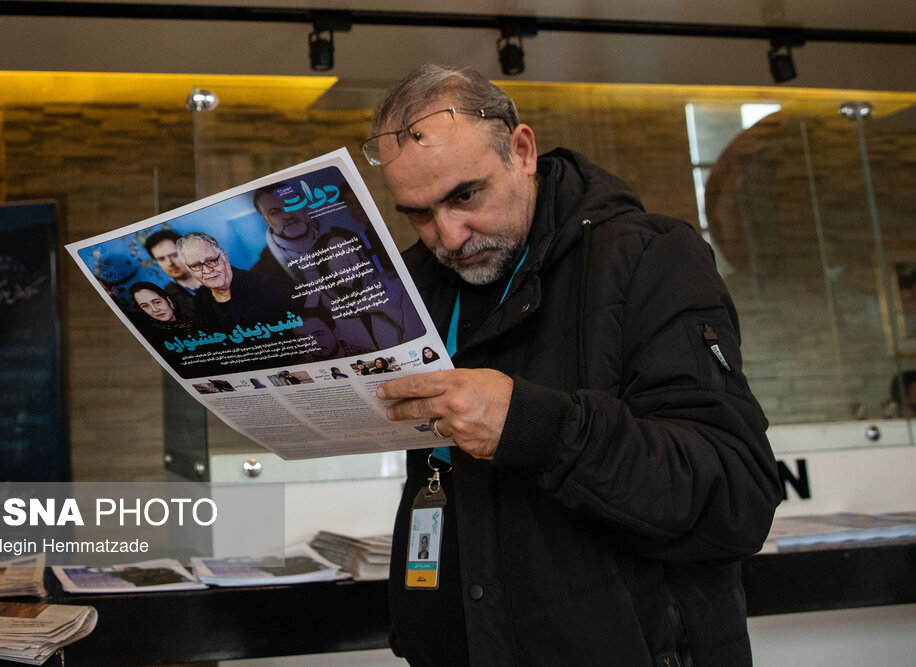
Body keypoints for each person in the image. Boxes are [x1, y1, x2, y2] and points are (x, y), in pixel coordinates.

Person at [367, 65, 782, 666]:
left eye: (465, 195)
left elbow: (735, 498)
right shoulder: (417, 287)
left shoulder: (650, 257)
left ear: (522, 150)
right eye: (418, 212)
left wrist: (540, 426)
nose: (449, 236)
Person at [176, 231, 290, 336]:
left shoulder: (264, 284)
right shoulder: (200, 299)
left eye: (211, 260)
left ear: (225, 258)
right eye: (196, 265)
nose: (207, 270)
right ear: (189, 269)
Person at [143, 229, 202, 317]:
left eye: (174, 255)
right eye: (161, 259)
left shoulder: (218, 276)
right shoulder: (164, 299)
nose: (170, 263)